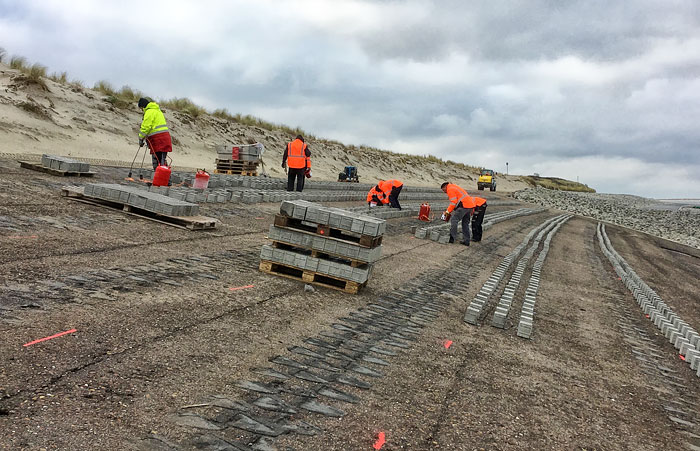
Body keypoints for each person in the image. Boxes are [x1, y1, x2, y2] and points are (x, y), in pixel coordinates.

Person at [138, 97, 172, 170]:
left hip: (158, 139)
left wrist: (141, 138)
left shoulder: (149, 112)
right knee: (162, 160)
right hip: (165, 138)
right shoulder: (158, 111)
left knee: (157, 160)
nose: (142, 110)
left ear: (143, 106)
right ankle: (164, 178)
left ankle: (160, 179)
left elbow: (146, 126)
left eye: (141, 108)